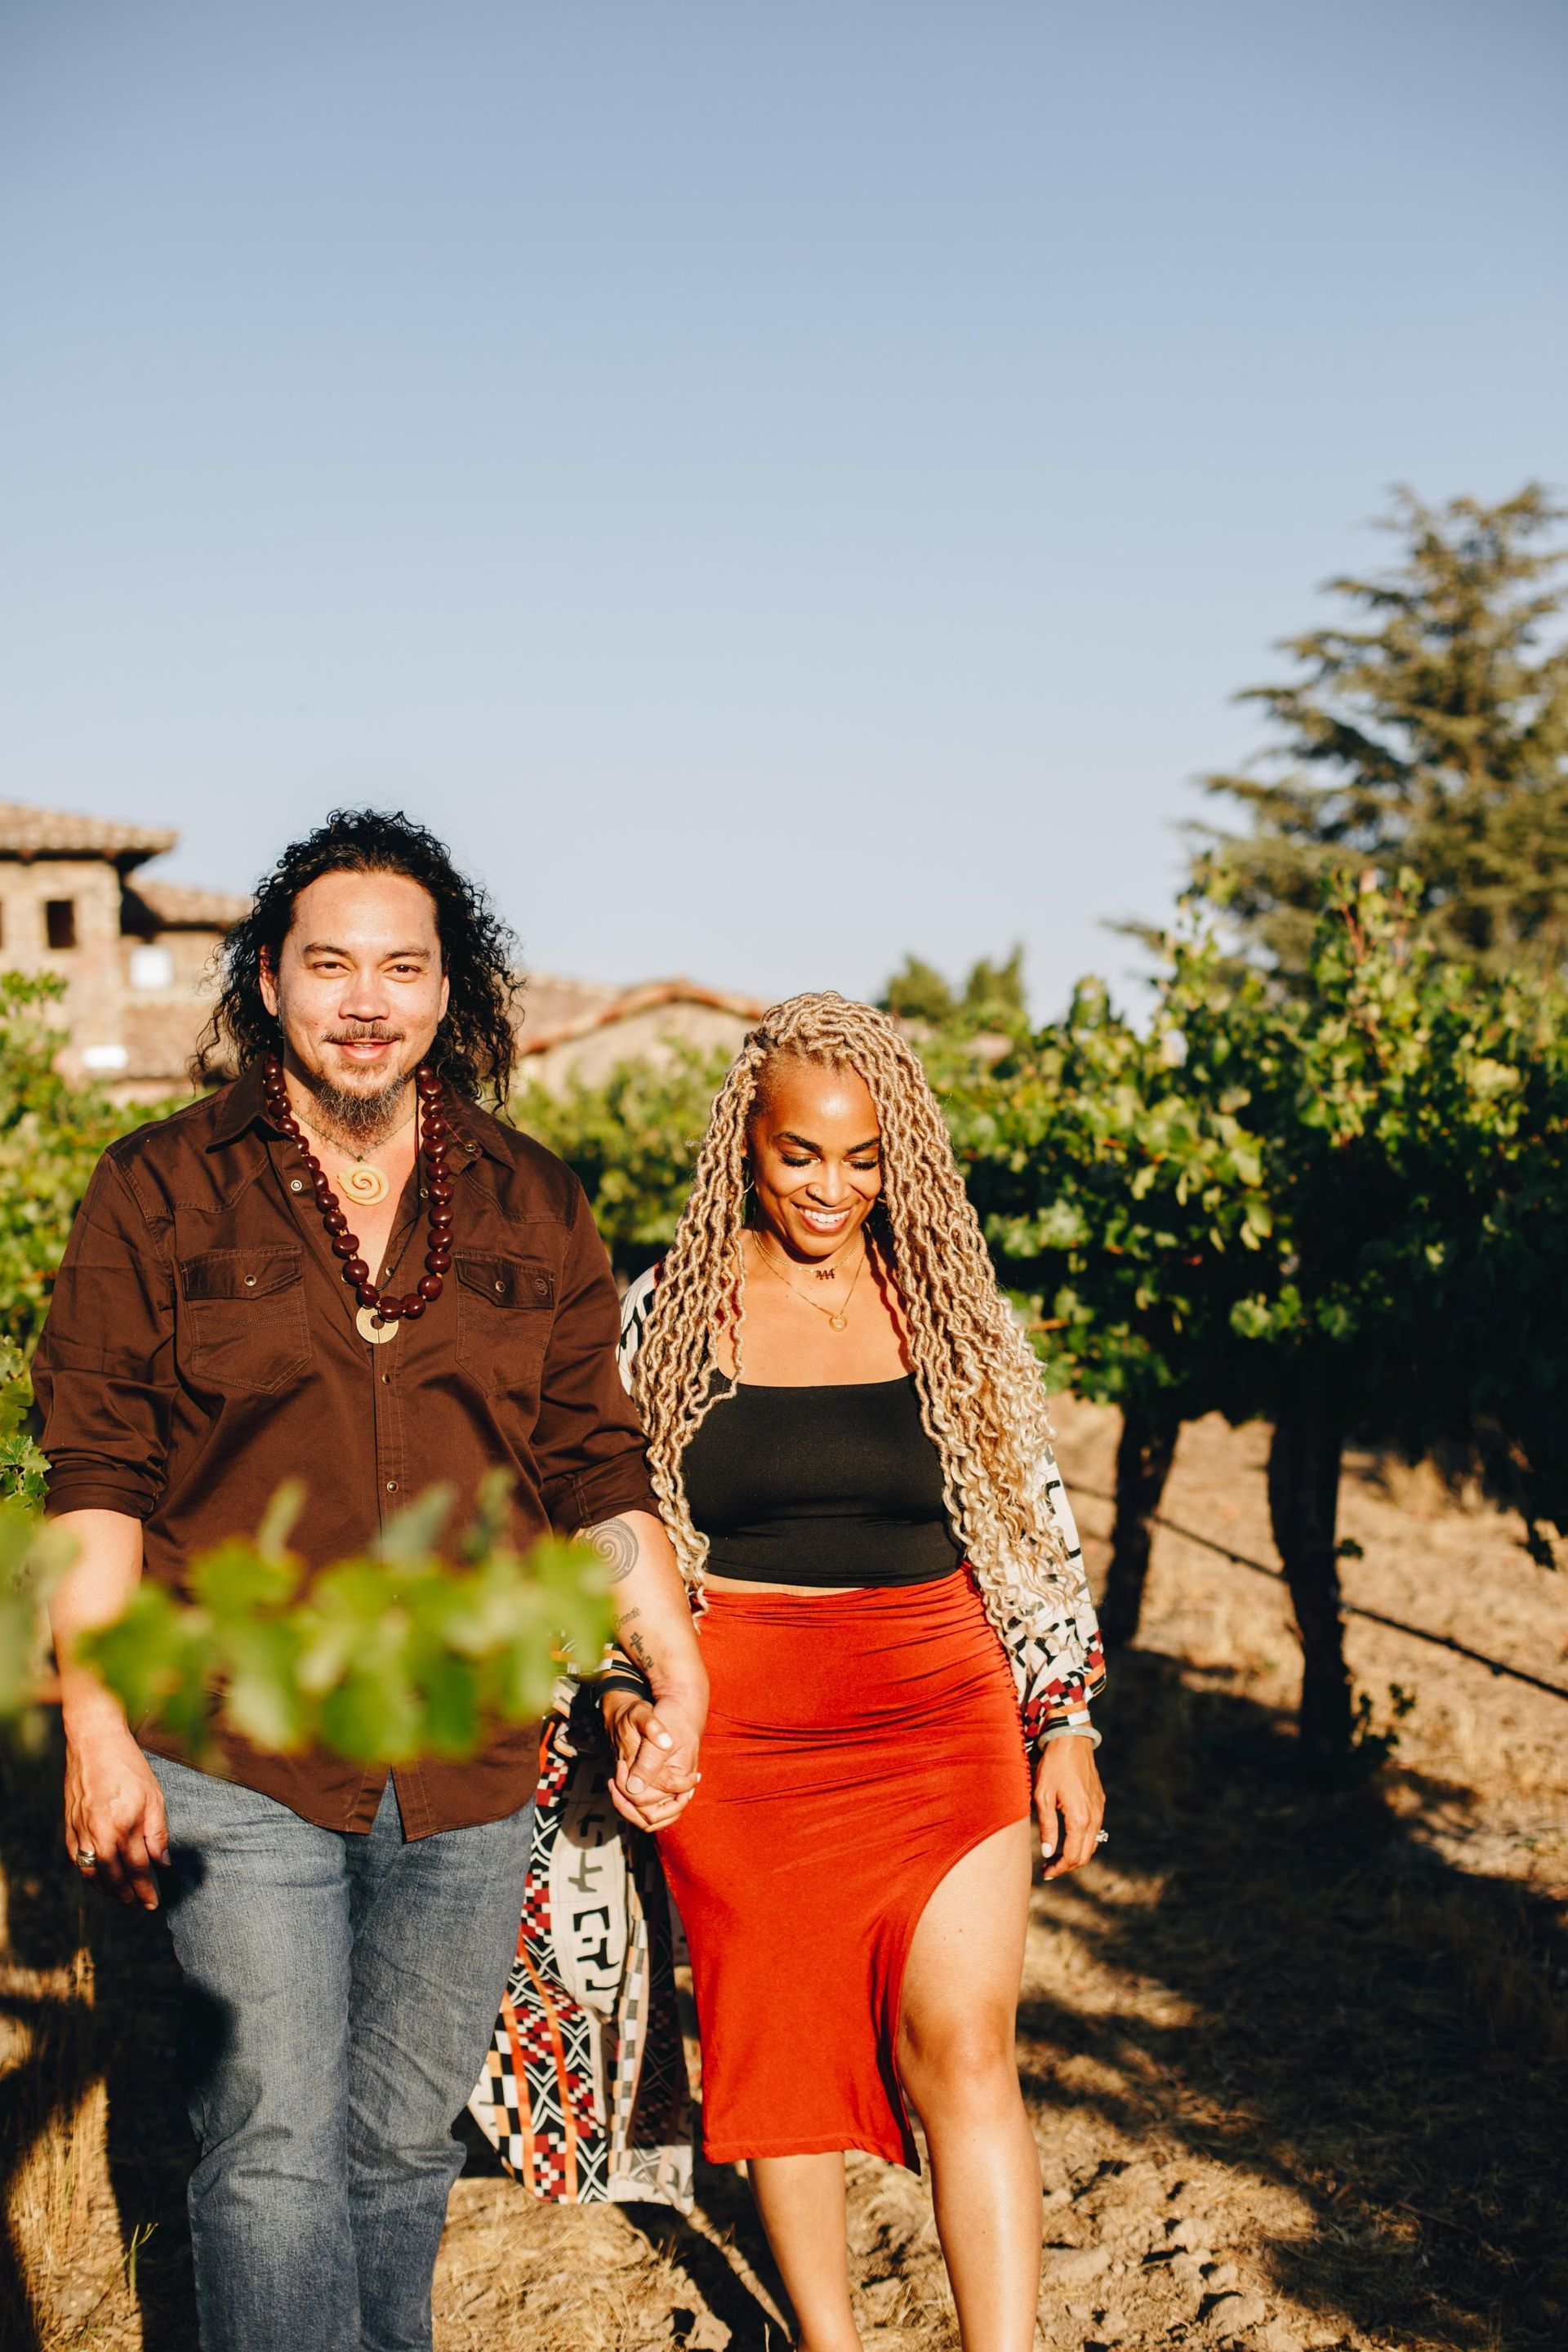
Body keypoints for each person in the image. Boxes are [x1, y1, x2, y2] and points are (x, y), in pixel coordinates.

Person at [32, 808, 705, 2352]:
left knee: (401, 2144)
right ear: (267, 980)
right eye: (328, 962)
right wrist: (92, 1726)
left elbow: (594, 1460)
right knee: (271, 2144)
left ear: (447, 987)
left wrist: (666, 1645)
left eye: (402, 966)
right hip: (234, 1740)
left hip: (468, 1754)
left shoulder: (536, 1201)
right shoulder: (158, 1189)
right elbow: (99, 1475)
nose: (365, 997)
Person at [603, 991, 1107, 2352]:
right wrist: (626, 1694)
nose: (833, 1188)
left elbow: (1030, 1513)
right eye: (801, 1155)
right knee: (783, 2061)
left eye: (864, 1158)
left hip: (943, 1700)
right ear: (744, 1148)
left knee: (968, 2042)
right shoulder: (665, 1316)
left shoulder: (949, 1309)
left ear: (901, 1161)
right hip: (746, 1724)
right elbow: (606, 1530)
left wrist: (1062, 1715)